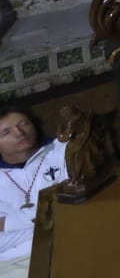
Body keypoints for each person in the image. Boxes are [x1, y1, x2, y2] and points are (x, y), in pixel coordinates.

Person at [0, 105, 69, 276]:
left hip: (66, 239)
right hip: (10, 261)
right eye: (6, 133)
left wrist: (7, 224)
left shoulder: (62, 150)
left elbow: (68, 206)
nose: (19, 133)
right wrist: (44, 220)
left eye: (24, 124)